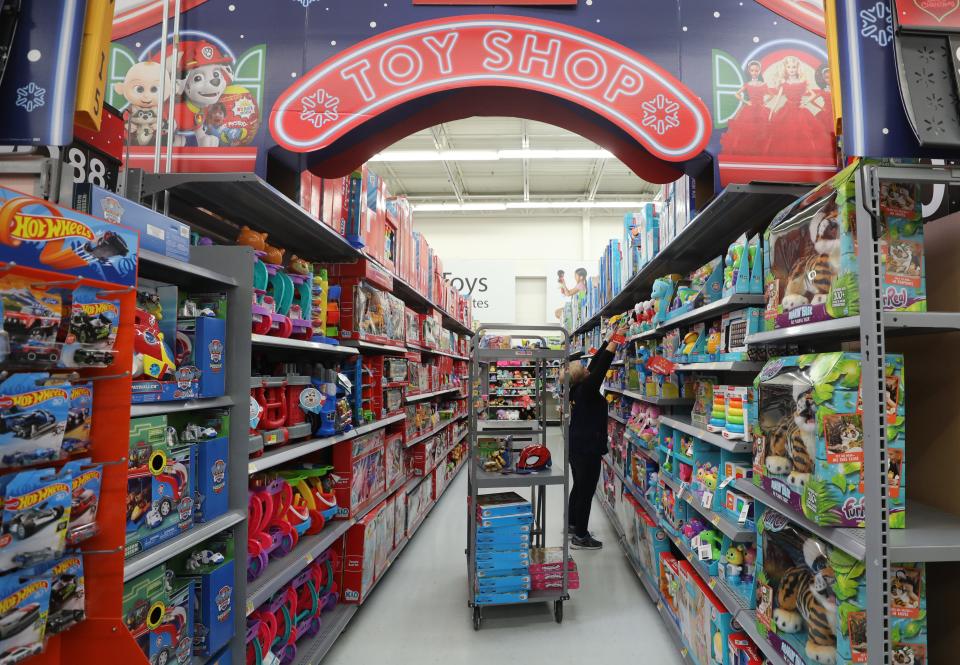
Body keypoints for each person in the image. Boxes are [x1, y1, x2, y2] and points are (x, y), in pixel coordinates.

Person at [566, 320, 630, 549]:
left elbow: (594, 364)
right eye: (584, 369)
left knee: (578, 486)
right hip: (587, 448)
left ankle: (572, 524)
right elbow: (601, 366)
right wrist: (617, 339)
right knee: (586, 491)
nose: (587, 368)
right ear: (583, 377)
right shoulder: (587, 390)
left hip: (576, 446)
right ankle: (580, 537)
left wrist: (606, 339)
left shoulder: (577, 388)